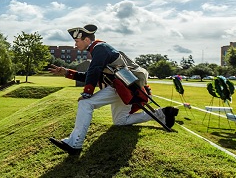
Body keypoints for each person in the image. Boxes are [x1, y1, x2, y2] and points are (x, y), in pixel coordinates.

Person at [48, 24, 178, 155]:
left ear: (86, 40)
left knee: (85, 103)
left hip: (120, 87)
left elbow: (94, 71)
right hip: (123, 89)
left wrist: (87, 93)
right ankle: (162, 113)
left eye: (77, 41)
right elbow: (91, 73)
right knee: (120, 121)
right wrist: (66, 72)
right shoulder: (100, 49)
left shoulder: (99, 48)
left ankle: (74, 144)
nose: (75, 45)